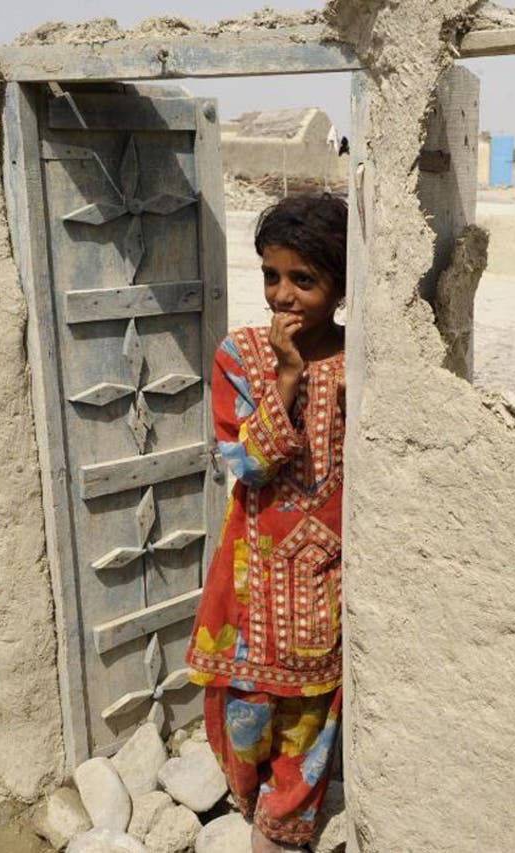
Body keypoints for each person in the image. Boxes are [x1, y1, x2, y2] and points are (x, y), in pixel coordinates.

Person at [186, 193, 347, 852]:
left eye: (303, 280)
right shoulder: (239, 356)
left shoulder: (358, 360)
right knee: (244, 709)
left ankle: (283, 824)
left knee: (310, 710)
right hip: (252, 579)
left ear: (340, 285)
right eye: (271, 276)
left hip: (326, 574)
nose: (282, 294)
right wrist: (284, 378)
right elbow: (245, 463)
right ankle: (241, 790)